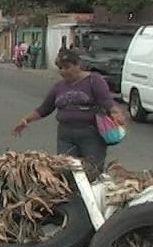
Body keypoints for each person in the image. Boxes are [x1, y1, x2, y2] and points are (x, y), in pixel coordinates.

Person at [12, 49, 126, 179]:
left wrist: (116, 113)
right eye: (60, 68)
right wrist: (25, 120)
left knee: (91, 172)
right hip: (65, 135)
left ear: (78, 65)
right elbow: (44, 108)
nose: (63, 71)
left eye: (67, 67)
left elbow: (107, 101)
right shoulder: (58, 87)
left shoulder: (94, 81)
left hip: (90, 134)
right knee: (66, 171)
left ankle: (91, 198)